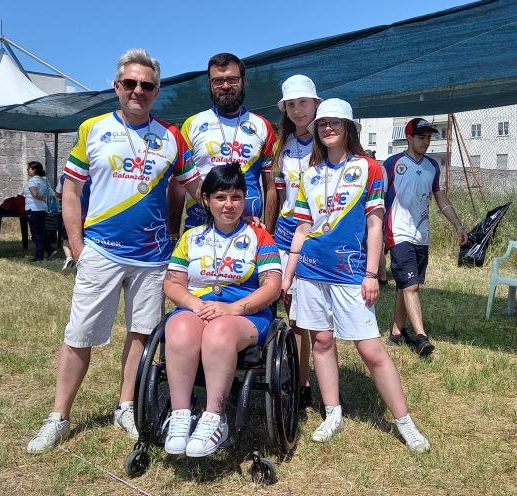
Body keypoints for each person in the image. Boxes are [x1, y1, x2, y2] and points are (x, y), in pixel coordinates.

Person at [28, 48, 202, 454]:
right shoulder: (92, 128)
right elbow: (70, 190)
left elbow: (194, 186)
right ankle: (59, 416)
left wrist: (236, 207)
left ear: (157, 90)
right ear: (117, 86)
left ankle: (125, 405)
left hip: (153, 255)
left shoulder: (172, 137)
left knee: (141, 333)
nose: (138, 90)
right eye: (131, 83)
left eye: (147, 85)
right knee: (80, 335)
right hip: (102, 251)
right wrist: (76, 243)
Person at [280, 98, 430, 452]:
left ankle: (404, 422)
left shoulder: (370, 168)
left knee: (371, 350)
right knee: (321, 341)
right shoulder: (310, 174)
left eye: (335, 122)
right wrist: (288, 275)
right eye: (322, 123)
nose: (327, 128)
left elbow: (376, 225)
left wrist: (371, 274)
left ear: (349, 127)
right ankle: (333, 413)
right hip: (310, 272)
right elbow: (302, 229)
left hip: (351, 275)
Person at [162, 164, 281, 457]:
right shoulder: (191, 237)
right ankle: (181, 415)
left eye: (236, 197)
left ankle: (216, 417)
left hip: (246, 313)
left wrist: (231, 309)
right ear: (206, 200)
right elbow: (173, 283)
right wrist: (195, 304)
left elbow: (271, 286)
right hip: (199, 306)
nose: (229, 204)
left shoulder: (260, 237)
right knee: (177, 328)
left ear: (244, 199)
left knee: (219, 331)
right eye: (221, 197)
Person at [383, 118, 468, 356]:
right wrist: (376, 233)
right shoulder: (392, 164)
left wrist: (457, 225)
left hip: (422, 234)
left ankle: (396, 333)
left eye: (429, 137)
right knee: (411, 286)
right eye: (422, 137)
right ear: (409, 138)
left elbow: (439, 197)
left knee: (408, 284)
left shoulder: (432, 166)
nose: (426, 142)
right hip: (398, 233)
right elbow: (378, 200)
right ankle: (421, 337)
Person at [171, 53, 277, 234]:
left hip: (249, 229)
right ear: (210, 85)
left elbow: (270, 186)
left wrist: (269, 232)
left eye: (232, 79)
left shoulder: (262, 125)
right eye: (218, 81)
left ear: (244, 81)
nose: (226, 86)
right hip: (199, 229)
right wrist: (173, 233)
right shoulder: (192, 124)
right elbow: (178, 184)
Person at [271, 74, 322, 404]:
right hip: (284, 233)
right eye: (291, 104)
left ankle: (303, 384)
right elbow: (277, 193)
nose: (298, 110)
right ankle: (278, 369)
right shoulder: (282, 146)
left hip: (316, 236)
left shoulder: (329, 140)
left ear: (315, 104)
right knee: (283, 302)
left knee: (305, 313)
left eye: (303, 102)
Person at [54, 173, 90, 272]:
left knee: (66, 240)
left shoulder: (64, 177)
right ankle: (83, 262)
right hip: (89, 215)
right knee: (86, 240)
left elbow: (57, 193)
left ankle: (69, 257)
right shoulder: (92, 176)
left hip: (71, 214)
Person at [23, 161, 56, 262]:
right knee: (40, 232)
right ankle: (50, 250)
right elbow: (50, 193)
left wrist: (42, 198)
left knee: (36, 234)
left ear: (34, 170)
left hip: (33, 209)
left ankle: (39, 255)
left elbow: (35, 194)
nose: (27, 170)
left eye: (29, 168)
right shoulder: (45, 181)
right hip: (43, 209)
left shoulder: (32, 181)